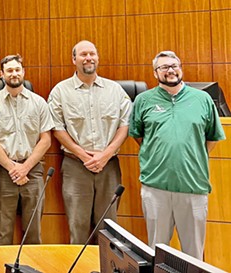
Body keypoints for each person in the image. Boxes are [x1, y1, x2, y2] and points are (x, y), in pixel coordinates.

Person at [129, 50, 225, 260]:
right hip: (155, 187)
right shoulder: (143, 101)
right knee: (156, 253)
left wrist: (191, 155)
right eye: (164, 67)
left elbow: (212, 138)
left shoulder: (203, 99)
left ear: (180, 68)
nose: (171, 70)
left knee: (193, 255)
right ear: (156, 73)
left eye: (174, 66)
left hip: (193, 187)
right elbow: (138, 136)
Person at [47, 40, 131, 244]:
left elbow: (125, 125)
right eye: (83, 54)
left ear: (98, 57)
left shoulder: (115, 90)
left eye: (92, 54)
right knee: (78, 226)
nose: (88, 58)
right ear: (74, 59)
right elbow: (57, 128)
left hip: (108, 166)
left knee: (109, 227)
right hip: (76, 166)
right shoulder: (60, 91)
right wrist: (83, 155)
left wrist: (105, 154)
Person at [0, 54, 54, 245]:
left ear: (23, 72)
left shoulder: (39, 103)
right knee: (3, 231)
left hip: (33, 171)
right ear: (2, 75)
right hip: (4, 172)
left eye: (17, 70)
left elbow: (46, 140)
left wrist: (25, 168)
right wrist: (13, 168)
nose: (14, 74)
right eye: (9, 70)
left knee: (33, 231)